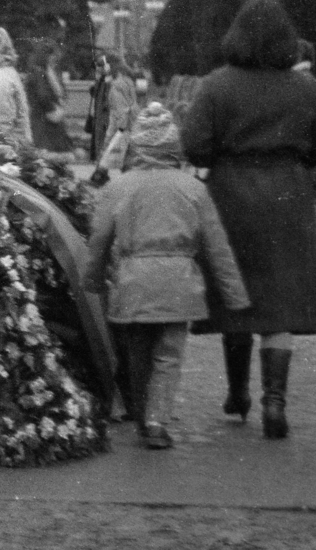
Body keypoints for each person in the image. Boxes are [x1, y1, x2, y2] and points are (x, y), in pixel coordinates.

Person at [180, 0, 316, 440]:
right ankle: (274, 402)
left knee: (238, 296)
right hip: (287, 197)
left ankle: (237, 394)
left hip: (231, 196)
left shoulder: (215, 85)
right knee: (280, 303)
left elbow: (194, 146)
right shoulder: (305, 89)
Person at [86, 102, 250, 449]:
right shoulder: (192, 188)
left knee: (138, 350)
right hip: (179, 284)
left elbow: (99, 241)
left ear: (136, 147)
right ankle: (157, 420)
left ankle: (142, 412)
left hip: (133, 282)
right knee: (169, 355)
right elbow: (217, 247)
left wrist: (93, 280)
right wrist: (235, 295)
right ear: (174, 147)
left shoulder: (118, 188)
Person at [88, 51, 139, 178]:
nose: (99, 68)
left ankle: (100, 174)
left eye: (102, 65)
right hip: (124, 122)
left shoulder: (117, 85)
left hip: (116, 123)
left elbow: (120, 108)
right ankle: (102, 173)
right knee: (123, 152)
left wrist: (120, 127)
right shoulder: (123, 80)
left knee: (112, 147)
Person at [24, 44, 75, 158]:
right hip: (45, 120)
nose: (55, 58)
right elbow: (43, 95)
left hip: (46, 119)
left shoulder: (43, 71)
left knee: (50, 156)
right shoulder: (40, 73)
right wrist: (53, 110)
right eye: (53, 55)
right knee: (49, 156)